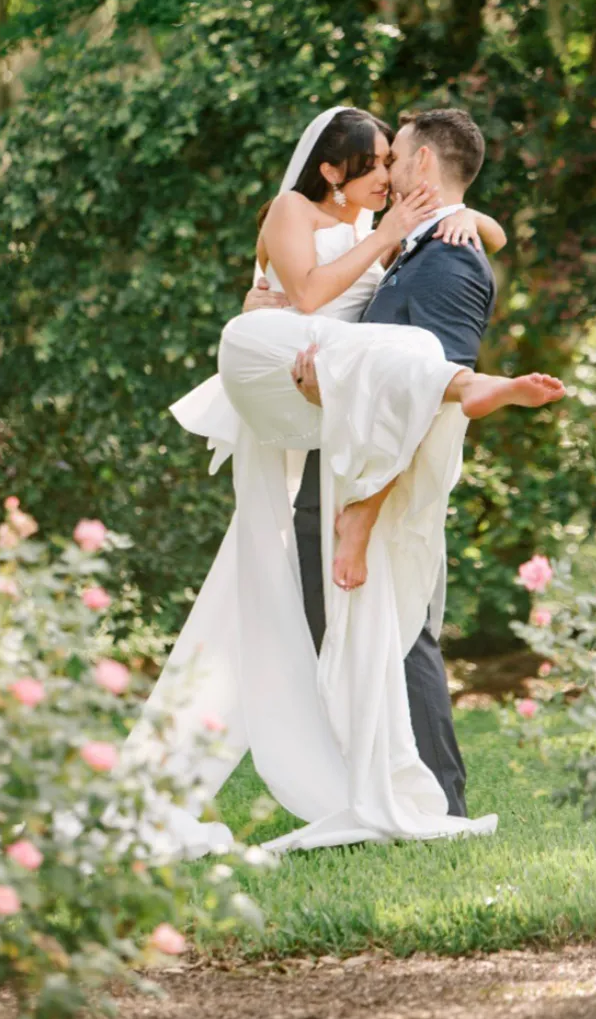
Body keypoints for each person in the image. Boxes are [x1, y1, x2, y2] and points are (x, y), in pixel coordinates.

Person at [124, 106, 562, 857]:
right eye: (375, 160)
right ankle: (371, 782)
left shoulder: (434, 251)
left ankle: (429, 794)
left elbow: (442, 283)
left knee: (391, 629)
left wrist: (472, 221)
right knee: (347, 621)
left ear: (421, 168)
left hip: (366, 462)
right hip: (297, 383)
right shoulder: (352, 226)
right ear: (334, 168)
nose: (387, 171)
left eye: (398, 158)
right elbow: (311, 298)